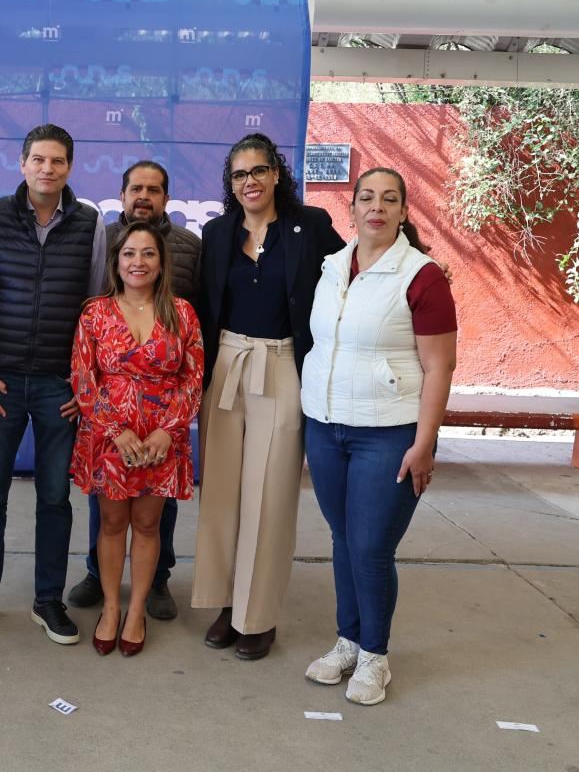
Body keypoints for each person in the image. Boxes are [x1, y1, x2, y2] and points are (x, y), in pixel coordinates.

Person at [300, 167, 457, 706]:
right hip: (325, 425)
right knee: (343, 540)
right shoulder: (331, 267)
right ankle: (347, 642)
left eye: (390, 199)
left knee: (370, 547)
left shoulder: (422, 276)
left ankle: (375, 657)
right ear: (352, 208)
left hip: (388, 433)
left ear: (404, 211)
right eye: (367, 197)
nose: (377, 207)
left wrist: (425, 441)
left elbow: (439, 368)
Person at [0, 123, 108, 646]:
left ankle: (48, 601)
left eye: (57, 161)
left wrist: (81, 383)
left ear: (69, 167)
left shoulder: (90, 223)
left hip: (57, 388)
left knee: (54, 498)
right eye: (38, 160)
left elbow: (94, 311)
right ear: (22, 165)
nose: (47, 169)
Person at [192, 133, 344, 660]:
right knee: (223, 494)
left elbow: (357, 269)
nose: (249, 182)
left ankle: (257, 616)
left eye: (258, 171)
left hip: (282, 365)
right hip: (227, 365)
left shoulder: (312, 228)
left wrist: (418, 266)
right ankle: (224, 602)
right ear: (230, 184)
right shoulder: (216, 234)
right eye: (239, 175)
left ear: (277, 173)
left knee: (271, 495)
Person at [68, 161, 201, 621]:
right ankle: (109, 607)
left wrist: (169, 430)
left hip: (162, 437)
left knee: (149, 525)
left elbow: (192, 376)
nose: (138, 262)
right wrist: (114, 429)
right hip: (110, 436)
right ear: (116, 259)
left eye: (148, 254)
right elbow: (85, 378)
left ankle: (140, 605)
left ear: (162, 260)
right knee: (108, 522)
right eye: (129, 255)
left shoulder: (182, 312)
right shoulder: (95, 313)